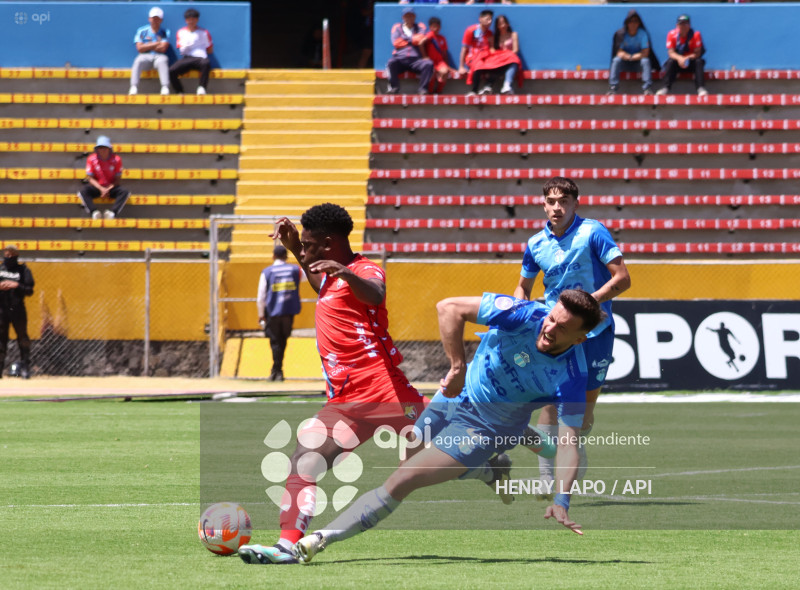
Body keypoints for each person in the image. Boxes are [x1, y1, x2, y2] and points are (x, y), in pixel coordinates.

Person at [290, 289, 606, 564]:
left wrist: (561, 502)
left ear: (580, 339)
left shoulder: (572, 376)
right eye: (551, 318)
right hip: (454, 395)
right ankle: (489, 471)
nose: (549, 328)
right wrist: (457, 366)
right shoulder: (523, 314)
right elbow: (449, 308)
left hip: (487, 428)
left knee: (404, 478)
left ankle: (320, 539)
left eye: (561, 328)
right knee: (409, 452)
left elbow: (568, 444)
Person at [237, 203, 432, 565]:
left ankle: (488, 465)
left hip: (385, 392)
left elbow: (373, 292)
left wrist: (346, 272)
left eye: (309, 244)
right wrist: (296, 247)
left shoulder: (365, 268)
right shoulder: (328, 275)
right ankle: (286, 546)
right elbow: (321, 281)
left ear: (328, 244)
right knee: (304, 459)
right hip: (345, 401)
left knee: (448, 451)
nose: (305, 251)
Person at [514, 177, 631, 498]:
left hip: (596, 332)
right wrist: (520, 314)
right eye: (551, 201)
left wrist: (589, 304)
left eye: (563, 201)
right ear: (543, 204)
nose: (557, 207)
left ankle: (575, 445)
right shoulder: (536, 243)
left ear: (575, 204)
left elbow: (622, 279)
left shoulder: (593, 233)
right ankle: (545, 477)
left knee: (584, 409)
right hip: (556, 331)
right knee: (551, 400)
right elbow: (523, 287)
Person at [256, 245, 302, 382]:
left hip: (273, 312)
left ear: (273, 256)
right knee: (283, 340)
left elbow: (261, 296)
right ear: (286, 256)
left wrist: (260, 314)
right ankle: (277, 370)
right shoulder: (295, 270)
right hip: (288, 311)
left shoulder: (267, 272)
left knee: (275, 341)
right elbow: (306, 277)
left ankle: (276, 371)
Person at [459, 10, 520, 96]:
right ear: (480, 19)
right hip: (473, 58)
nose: (489, 22)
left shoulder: (490, 33)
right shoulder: (470, 30)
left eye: (491, 19)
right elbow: (464, 48)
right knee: (479, 63)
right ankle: (474, 90)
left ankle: (490, 87)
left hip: (487, 58)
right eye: (487, 19)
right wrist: (461, 67)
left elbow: (492, 49)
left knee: (502, 62)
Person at [0, 245, 34, 380]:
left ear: (16, 256)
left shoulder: (23, 270)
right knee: (1, 340)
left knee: (22, 338)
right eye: (6, 255)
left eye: (11, 256)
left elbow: (30, 290)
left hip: (18, 309)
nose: (8, 258)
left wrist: (16, 285)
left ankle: (25, 367)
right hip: (1, 309)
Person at [78, 136, 130, 220]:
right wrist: (101, 189)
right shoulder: (91, 159)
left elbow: (117, 179)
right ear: (97, 149)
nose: (103, 150)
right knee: (83, 191)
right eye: (100, 148)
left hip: (111, 187)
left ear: (109, 149)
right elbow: (90, 178)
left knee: (124, 192)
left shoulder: (117, 159)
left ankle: (112, 213)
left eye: (105, 147)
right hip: (97, 187)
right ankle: (94, 212)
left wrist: (108, 189)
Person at [608, 10, 659, 96]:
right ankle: (613, 87)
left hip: (637, 63)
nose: (633, 24)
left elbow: (645, 53)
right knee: (616, 60)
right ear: (627, 23)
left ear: (639, 23)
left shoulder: (643, 34)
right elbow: (619, 52)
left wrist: (633, 57)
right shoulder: (621, 34)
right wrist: (629, 57)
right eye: (630, 21)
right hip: (625, 63)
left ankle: (647, 88)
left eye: (635, 21)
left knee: (645, 61)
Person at [385, 7, 433, 95]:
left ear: (414, 17)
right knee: (391, 62)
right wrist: (412, 39)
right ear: (403, 18)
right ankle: (394, 87)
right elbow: (396, 43)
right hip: (400, 59)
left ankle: (423, 89)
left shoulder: (420, 26)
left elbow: (420, 39)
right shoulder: (397, 27)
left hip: (416, 60)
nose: (409, 18)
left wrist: (404, 39)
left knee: (428, 64)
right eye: (407, 16)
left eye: (411, 16)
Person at [656, 14, 707, 97]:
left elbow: (697, 53)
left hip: (690, 62)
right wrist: (680, 58)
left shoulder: (696, 35)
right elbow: (671, 52)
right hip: (678, 63)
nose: (683, 26)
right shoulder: (671, 34)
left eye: (686, 24)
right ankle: (665, 88)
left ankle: (700, 88)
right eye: (681, 24)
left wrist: (686, 58)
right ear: (677, 25)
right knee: (670, 62)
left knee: (699, 62)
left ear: (689, 25)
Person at [169, 8, 213, 95]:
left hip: (200, 58)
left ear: (197, 20)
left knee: (206, 63)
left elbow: (210, 49)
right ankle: (179, 91)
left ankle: (202, 88)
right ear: (186, 20)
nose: (191, 21)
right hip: (187, 58)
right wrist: (186, 46)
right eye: (189, 19)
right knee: (171, 70)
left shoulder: (204, 32)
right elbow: (180, 49)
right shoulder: (181, 32)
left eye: (194, 19)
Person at [129, 7, 171, 96]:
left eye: (157, 19)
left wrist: (147, 45)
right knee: (138, 60)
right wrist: (157, 43)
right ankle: (134, 86)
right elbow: (139, 48)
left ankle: (165, 87)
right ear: (149, 19)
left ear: (161, 20)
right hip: (145, 56)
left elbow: (163, 48)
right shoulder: (142, 31)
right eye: (153, 18)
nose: (155, 21)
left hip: (159, 56)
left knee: (163, 60)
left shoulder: (165, 31)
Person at [424, 17, 455, 94]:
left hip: (440, 62)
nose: (436, 28)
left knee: (445, 72)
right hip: (430, 62)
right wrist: (425, 57)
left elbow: (444, 53)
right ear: (430, 27)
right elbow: (421, 43)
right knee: (432, 72)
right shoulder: (429, 36)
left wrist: (447, 65)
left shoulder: (442, 38)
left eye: (437, 26)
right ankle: (430, 91)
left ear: (440, 27)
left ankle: (438, 91)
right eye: (433, 26)